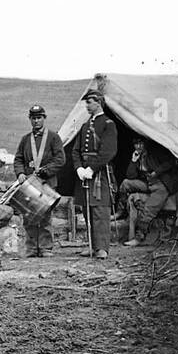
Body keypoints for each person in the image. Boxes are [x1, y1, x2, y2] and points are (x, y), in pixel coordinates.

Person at [13, 104, 66, 257]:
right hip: (29, 183)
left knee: (45, 215)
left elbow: (60, 159)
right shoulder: (25, 139)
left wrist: (45, 171)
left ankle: (45, 248)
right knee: (28, 215)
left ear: (44, 118)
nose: (36, 121)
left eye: (39, 118)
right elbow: (18, 159)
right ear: (30, 119)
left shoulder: (53, 137)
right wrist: (20, 173)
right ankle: (31, 248)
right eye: (33, 118)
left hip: (46, 183)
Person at [72, 89, 118, 259]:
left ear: (98, 102)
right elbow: (76, 151)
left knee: (100, 211)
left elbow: (108, 151)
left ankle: (102, 248)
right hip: (84, 173)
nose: (86, 105)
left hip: (100, 173)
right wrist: (79, 169)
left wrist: (92, 169)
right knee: (87, 210)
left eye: (89, 101)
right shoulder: (85, 125)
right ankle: (92, 246)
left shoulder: (108, 124)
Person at [121, 139, 178, 247]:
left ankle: (139, 238)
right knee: (126, 183)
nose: (138, 146)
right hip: (148, 183)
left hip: (161, 184)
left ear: (145, 144)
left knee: (149, 209)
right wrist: (134, 161)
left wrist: (156, 172)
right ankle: (120, 211)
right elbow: (130, 176)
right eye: (136, 144)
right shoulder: (138, 156)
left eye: (140, 143)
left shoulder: (155, 152)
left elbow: (170, 162)